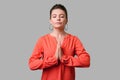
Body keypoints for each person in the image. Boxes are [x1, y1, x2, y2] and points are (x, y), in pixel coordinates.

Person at [28, 4, 90, 80]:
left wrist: (64, 58)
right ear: (50, 20)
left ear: (66, 20)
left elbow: (86, 61)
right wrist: (53, 59)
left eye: (62, 16)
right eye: (54, 16)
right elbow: (32, 64)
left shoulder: (74, 40)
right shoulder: (42, 40)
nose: (58, 19)